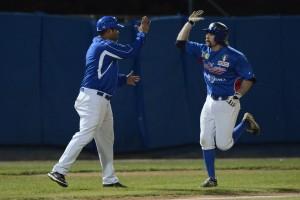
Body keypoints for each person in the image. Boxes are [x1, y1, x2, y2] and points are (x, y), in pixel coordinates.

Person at [48, 15, 150, 188]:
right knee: (86, 134)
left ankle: (109, 179)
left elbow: (103, 76)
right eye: (115, 29)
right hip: (92, 99)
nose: (118, 31)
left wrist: (124, 79)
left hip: (101, 99)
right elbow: (130, 52)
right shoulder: (103, 46)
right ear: (108, 30)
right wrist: (142, 34)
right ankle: (59, 170)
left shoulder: (101, 46)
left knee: (106, 140)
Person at [176, 10, 260, 187]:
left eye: (211, 33)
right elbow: (180, 43)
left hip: (228, 102)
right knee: (205, 139)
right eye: (207, 32)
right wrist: (189, 23)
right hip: (210, 101)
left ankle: (245, 123)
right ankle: (212, 178)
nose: (207, 35)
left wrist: (238, 96)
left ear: (220, 37)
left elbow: (250, 78)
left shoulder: (235, 56)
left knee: (224, 145)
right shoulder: (203, 50)